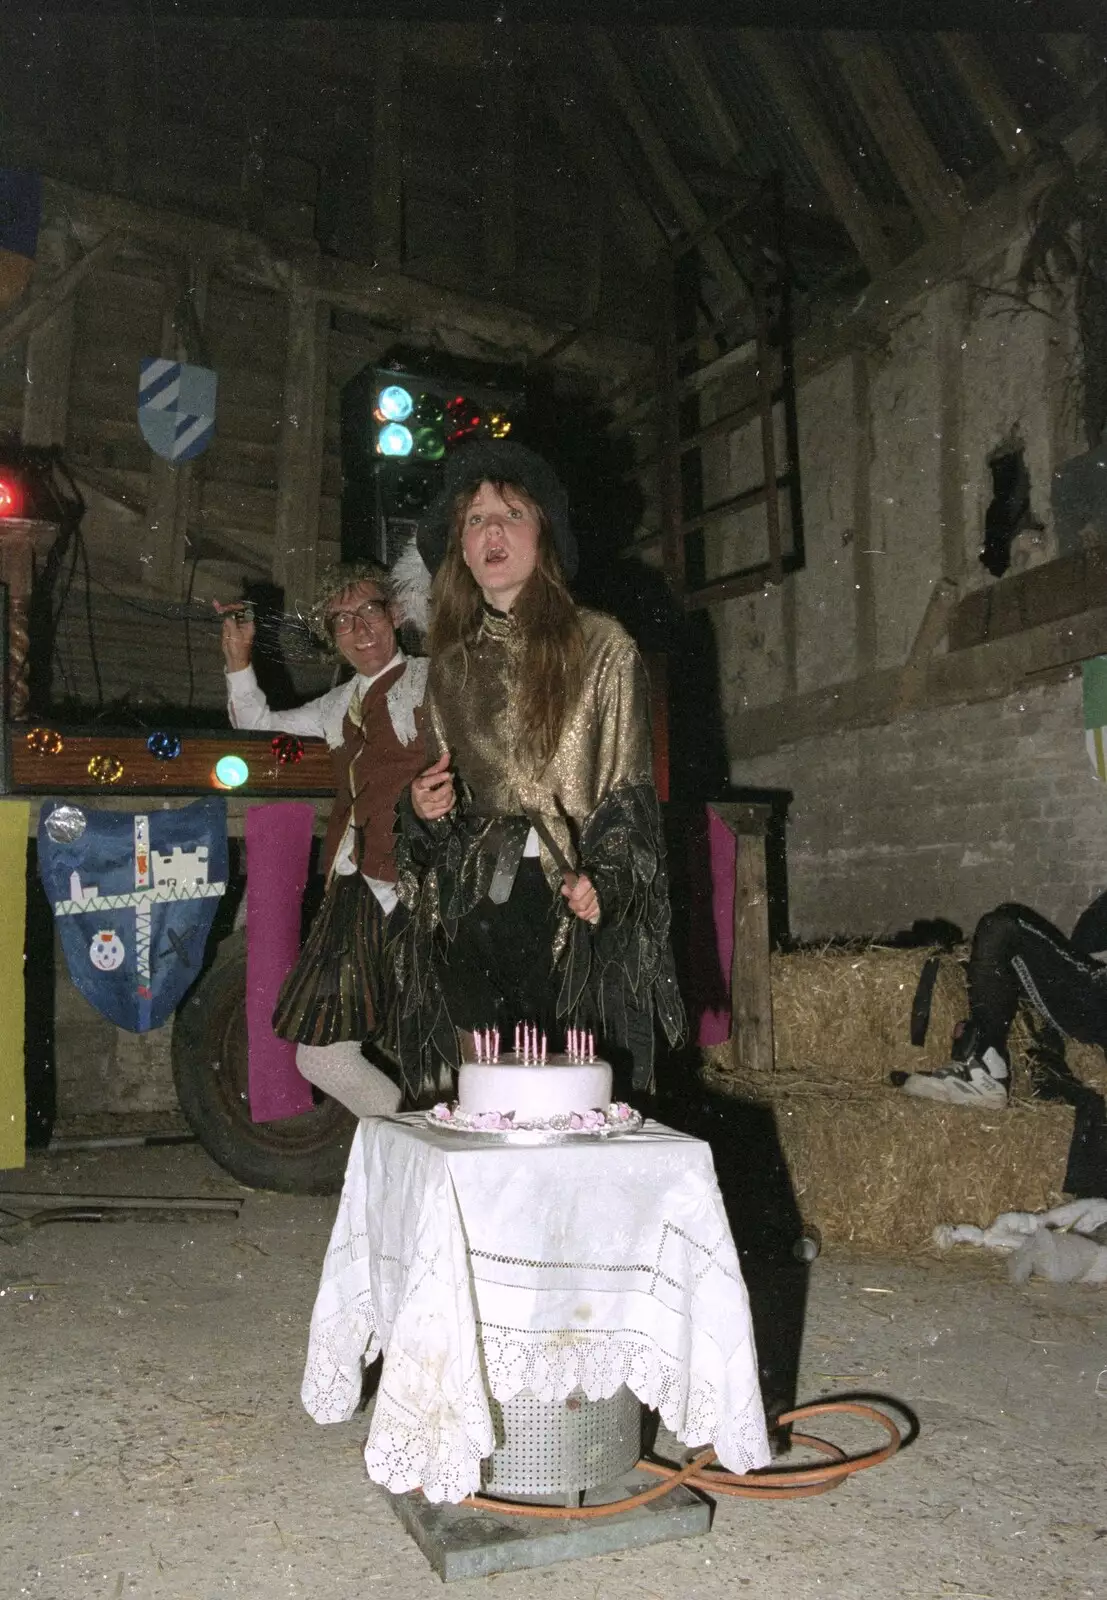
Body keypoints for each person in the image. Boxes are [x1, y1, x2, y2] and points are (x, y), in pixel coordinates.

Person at [391, 439, 685, 1098]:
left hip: (565, 904)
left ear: (542, 534)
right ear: (461, 552)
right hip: (474, 901)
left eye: (511, 513)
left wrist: (604, 881)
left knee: (566, 1100)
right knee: (488, 1095)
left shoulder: (604, 648)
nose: (491, 529)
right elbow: (436, 799)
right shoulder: (449, 667)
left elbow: (628, 793)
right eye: (474, 520)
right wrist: (421, 806)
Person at [218, 561, 428, 1117]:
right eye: (341, 621)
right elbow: (257, 723)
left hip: (423, 889)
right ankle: (409, 1145)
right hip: (356, 888)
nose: (360, 631)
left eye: (369, 612)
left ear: (396, 614)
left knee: (441, 1052)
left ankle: (440, 1171)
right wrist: (239, 662)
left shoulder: (436, 681)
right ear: (332, 638)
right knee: (322, 1056)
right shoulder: (338, 705)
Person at [896, 891, 1107, 1107]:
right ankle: (985, 1065)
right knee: (1002, 924)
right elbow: (1080, 951)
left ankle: (988, 1070)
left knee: (1003, 925)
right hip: (1091, 995)